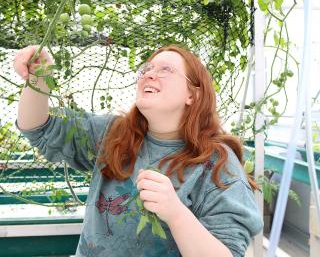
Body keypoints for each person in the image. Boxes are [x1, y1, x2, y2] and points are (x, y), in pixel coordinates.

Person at [13, 44, 263, 257]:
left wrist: (176, 213)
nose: (149, 75)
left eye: (166, 69)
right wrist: (39, 77)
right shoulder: (112, 133)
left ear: (193, 94)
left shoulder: (217, 164)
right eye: (147, 69)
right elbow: (38, 128)